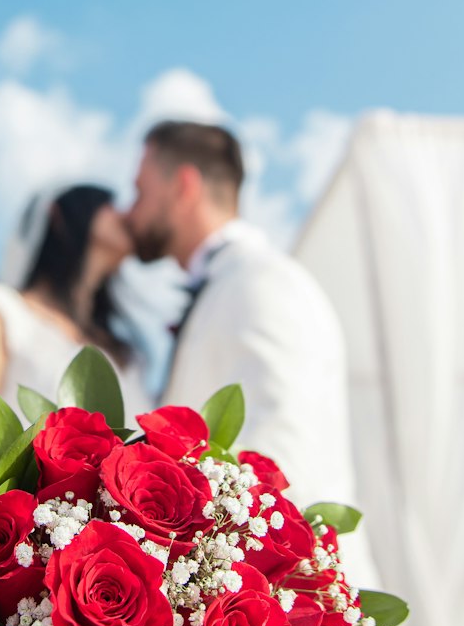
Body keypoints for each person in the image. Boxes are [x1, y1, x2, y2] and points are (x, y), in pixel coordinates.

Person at [124, 119, 356, 512]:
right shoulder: (231, 284)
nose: (131, 212)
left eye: (141, 191)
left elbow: (286, 449)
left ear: (184, 186)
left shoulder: (263, 281)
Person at [0, 184, 146, 419]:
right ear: (58, 216)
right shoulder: (0, 310)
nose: (124, 215)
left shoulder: (127, 355)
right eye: (106, 205)